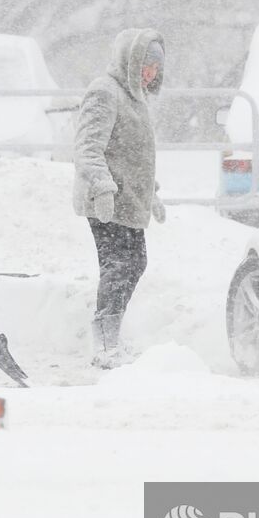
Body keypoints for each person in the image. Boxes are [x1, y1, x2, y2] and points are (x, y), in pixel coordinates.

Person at [72, 28, 167, 368]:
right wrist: (102, 186)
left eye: (155, 67)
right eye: (145, 64)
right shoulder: (105, 92)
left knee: (133, 263)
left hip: (130, 201)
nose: (150, 73)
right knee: (118, 266)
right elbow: (87, 147)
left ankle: (111, 336)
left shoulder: (136, 97)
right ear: (129, 60)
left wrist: (151, 193)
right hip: (107, 201)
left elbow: (136, 154)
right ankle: (105, 344)